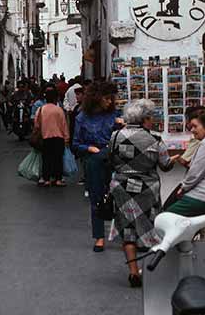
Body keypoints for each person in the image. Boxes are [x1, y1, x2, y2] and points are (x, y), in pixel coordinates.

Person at [109, 99, 173, 288]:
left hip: (122, 187)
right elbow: (165, 165)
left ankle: (133, 272)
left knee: (127, 229)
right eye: (151, 117)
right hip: (147, 188)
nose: (152, 120)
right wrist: (177, 159)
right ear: (145, 118)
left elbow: (111, 159)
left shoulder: (116, 136)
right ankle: (151, 270)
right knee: (151, 227)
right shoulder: (155, 139)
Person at [73, 81, 123, 252]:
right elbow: (75, 144)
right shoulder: (81, 118)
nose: (110, 101)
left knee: (121, 197)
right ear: (97, 98)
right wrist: (89, 148)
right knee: (97, 198)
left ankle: (125, 236)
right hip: (94, 161)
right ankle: (99, 237)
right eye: (107, 98)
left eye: (111, 98)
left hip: (114, 159)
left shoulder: (115, 115)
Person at [35, 87, 70, 186]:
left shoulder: (41, 109)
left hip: (45, 138)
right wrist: (66, 138)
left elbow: (37, 125)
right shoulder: (59, 110)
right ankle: (58, 179)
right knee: (58, 159)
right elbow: (64, 125)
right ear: (55, 98)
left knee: (46, 159)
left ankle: (46, 179)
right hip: (58, 138)